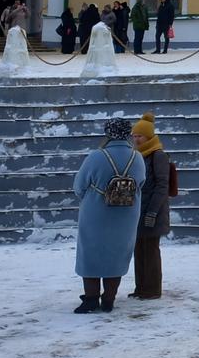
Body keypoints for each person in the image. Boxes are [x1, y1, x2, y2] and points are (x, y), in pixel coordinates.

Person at [71, 118, 145, 314]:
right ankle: (109, 299)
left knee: (91, 253)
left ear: (108, 134)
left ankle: (91, 298)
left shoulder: (96, 156)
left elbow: (79, 186)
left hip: (95, 213)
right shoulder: (136, 157)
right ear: (128, 134)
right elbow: (141, 183)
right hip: (127, 215)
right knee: (117, 255)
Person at [130, 112, 170, 301]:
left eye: (140, 136)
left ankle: (152, 289)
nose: (136, 139)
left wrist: (153, 211)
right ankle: (140, 288)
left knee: (151, 250)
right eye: (134, 136)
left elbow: (163, 185)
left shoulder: (158, 155)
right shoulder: (138, 155)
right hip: (139, 210)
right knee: (139, 249)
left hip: (153, 210)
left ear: (149, 136)